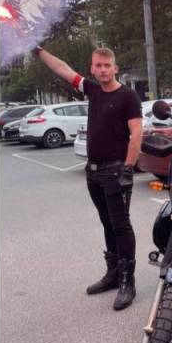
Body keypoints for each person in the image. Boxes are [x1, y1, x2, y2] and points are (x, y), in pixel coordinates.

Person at [32, 46, 143, 310]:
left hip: (116, 171)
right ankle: (114, 274)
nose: (103, 70)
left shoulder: (128, 97)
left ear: (115, 68)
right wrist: (37, 51)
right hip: (93, 172)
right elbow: (63, 70)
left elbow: (137, 133)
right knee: (106, 222)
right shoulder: (92, 91)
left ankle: (128, 281)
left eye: (107, 65)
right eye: (98, 66)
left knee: (121, 225)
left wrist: (128, 168)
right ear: (92, 68)